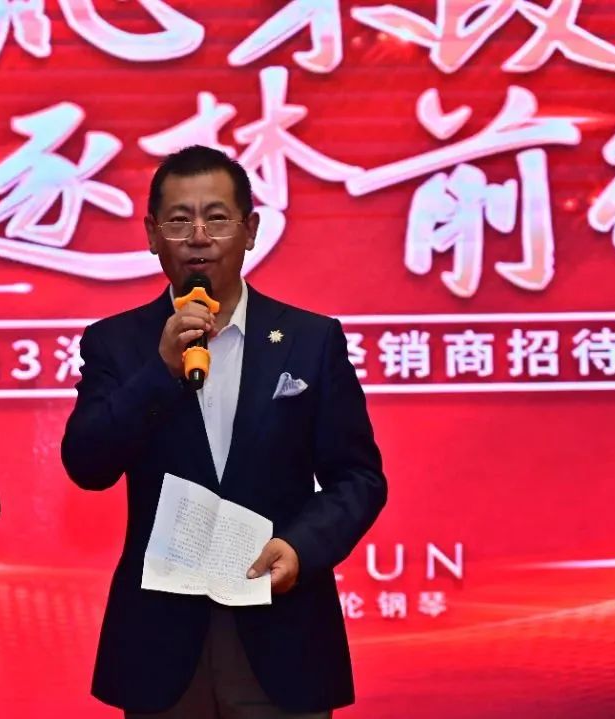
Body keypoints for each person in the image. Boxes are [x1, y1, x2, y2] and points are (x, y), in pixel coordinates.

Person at [61, 145, 387, 719]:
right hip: (162, 642)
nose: (198, 237)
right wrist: (159, 372)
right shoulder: (116, 343)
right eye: (178, 220)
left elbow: (357, 477)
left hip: (281, 627)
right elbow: (87, 464)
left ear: (250, 230)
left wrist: (301, 547)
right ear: (152, 235)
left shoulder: (311, 340)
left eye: (216, 218)